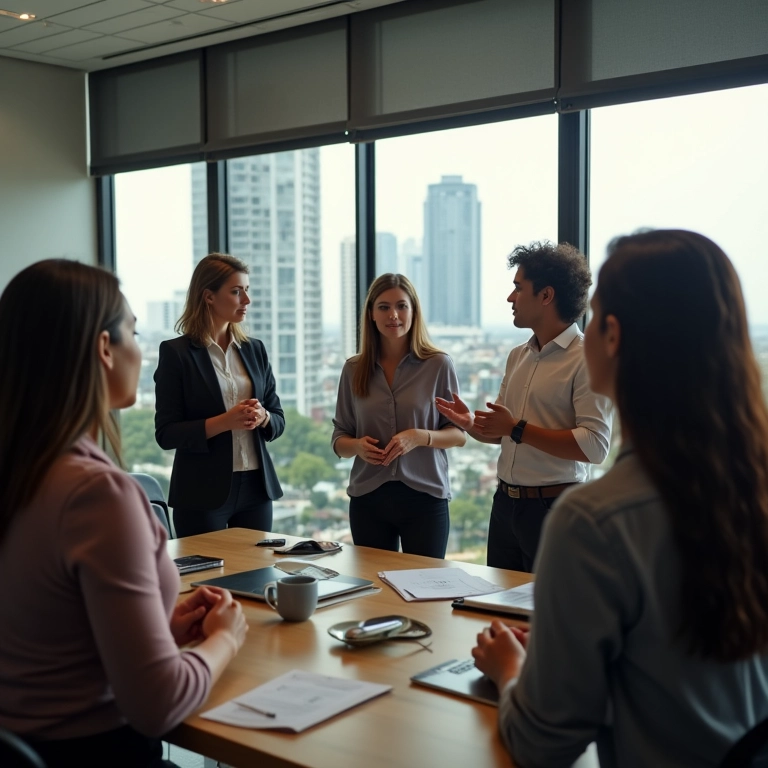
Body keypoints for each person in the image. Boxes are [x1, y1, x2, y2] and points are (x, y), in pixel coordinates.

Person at [471, 230, 768, 768]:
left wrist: (508, 667)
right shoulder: (747, 491)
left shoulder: (596, 523)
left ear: (612, 336)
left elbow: (542, 743)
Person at [0, 260, 248, 768]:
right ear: (104, 348)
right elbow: (157, 704)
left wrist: (156, 628)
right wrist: (226, 638)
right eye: (133, 333)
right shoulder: (98, 495)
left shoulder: (21, 472)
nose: (140, 349)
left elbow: (43, 632)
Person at [436, 241, 612, 571]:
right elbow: (501, 433)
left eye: (518, 288)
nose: (510, 298)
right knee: (499, 599)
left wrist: (516, 429)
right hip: (505, 504)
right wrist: (470, 423)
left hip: (553, 508)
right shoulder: (518, 355)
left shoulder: (588, 358)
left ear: (546, 295)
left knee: (548, 603)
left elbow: (595, 446)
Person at [332, 273, 466, 558]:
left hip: (425, 498)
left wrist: (420, 437)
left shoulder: (438, 365)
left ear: (413, 312)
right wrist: (356, 446)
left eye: (402, 306)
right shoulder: (353, 369)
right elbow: (339, 440)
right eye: (384, 307)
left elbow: (459, 435)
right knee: (372, 584)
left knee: (427, 583)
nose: (393, 315)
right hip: (368, 499)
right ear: (371, 313)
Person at [154, 253, 284, 537]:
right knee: (205, 568)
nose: (247, 300)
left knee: (255, 566)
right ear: (209, 296)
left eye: (247, 290)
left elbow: (278, 419)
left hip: (257, 489)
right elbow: (166, 434)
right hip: (201, 492)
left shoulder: (255, 349)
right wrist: (225, 422)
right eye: (236, 291)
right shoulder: (176, 354)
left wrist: (263, 417)